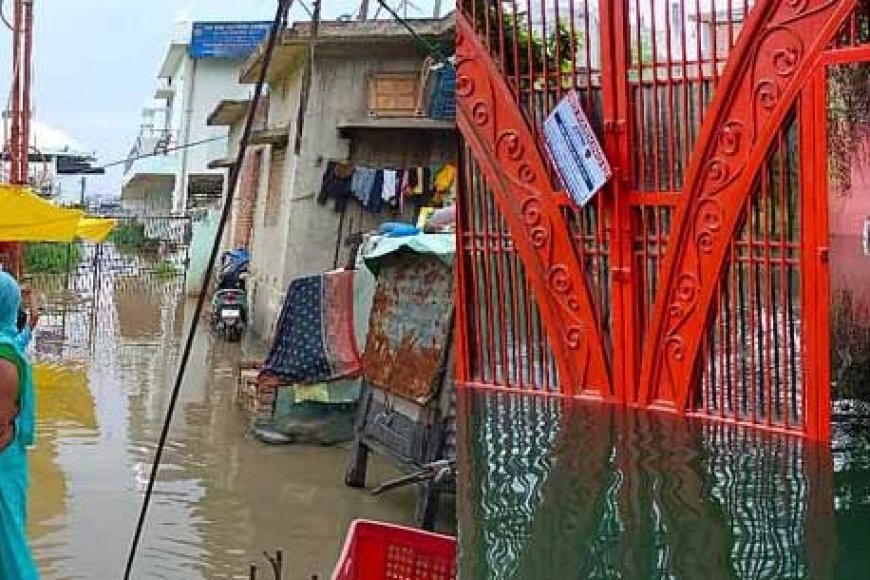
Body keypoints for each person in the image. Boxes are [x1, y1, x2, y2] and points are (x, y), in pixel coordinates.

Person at [0, 271, 39, 579]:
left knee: (9, 546)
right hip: (9, 459)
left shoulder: (4, 360)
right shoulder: (9, 345)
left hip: (2, 461)